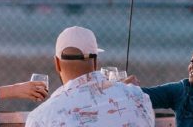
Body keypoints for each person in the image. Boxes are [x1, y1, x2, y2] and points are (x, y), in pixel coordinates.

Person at [25, 26, 155, 127]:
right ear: (95, 62)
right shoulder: (138, 98)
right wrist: (126, 90)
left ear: (57, 63)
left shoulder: (40, 118)